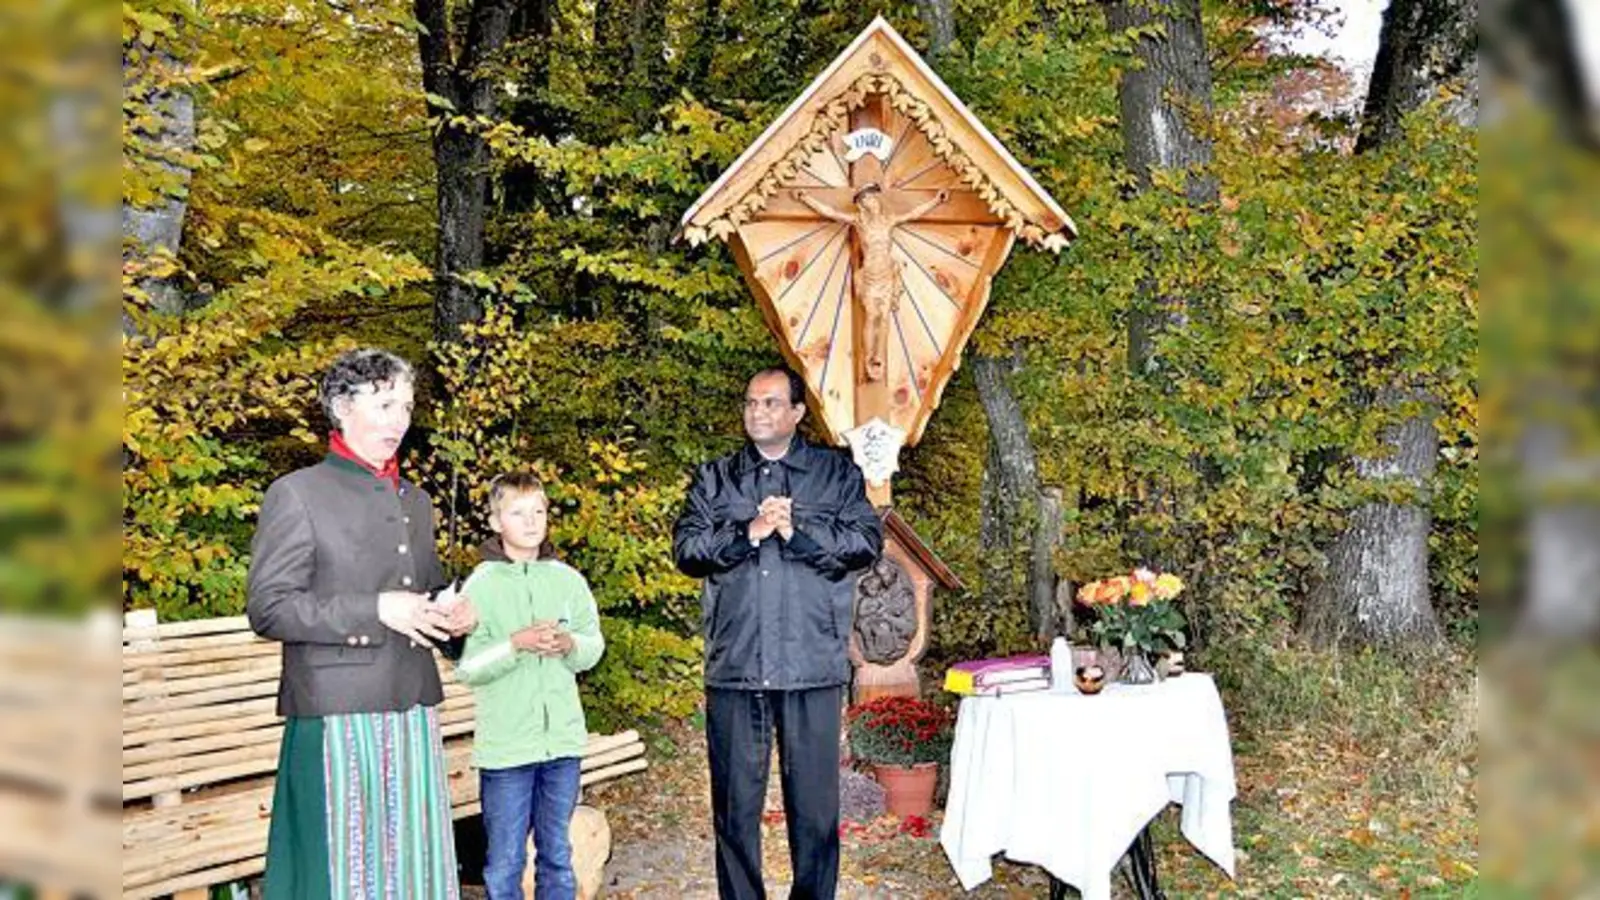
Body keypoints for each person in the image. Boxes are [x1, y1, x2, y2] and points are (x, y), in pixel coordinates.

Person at [247, 348, 479, 900]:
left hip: (413, 710)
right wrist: (375, 609)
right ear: (342, 408)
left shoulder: (415, 501)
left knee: (413, 876)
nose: (399, 420)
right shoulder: (297, 493)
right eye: (384, 404)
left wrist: (453, 620)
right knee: (346, 879)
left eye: (406, 405)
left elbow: (419, 600)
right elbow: (269, 607)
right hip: (337, 717)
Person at [672, 365, 883, 900]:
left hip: (811, 665)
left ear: (796, 413)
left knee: (814, 809)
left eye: (770, 403)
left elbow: (865, 543)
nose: (757, 412)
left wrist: (797, 531)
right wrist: (749, 533)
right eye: (750, 403)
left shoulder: (836, 475)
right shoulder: (716, 478)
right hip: (737, 667)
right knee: (735, 808)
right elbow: (688, 552)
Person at [455, 473, 605, 900]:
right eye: (518, 512)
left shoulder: (568, 580)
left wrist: (568, 643)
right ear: (496, 521)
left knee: (557, 852)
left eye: (538, 511)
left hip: (562, 744)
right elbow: (468, 667)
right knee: (504, 860)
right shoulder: (481, 584)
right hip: (506, 750)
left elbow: (593, 646)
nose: (531, 521)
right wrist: (515, 645)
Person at [793, 184, 949, 381]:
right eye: (867, 200)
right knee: (872, 315)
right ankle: (869, 357)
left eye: (874, 198)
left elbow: (913, 213)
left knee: (883, 317)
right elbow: (831, 212)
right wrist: (806, 198)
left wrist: (936, 200)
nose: (872, 203)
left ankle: (879, 357)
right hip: (870, 276)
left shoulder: (888, 220)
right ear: (861, 205)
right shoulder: (859, 222)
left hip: (886, 275)